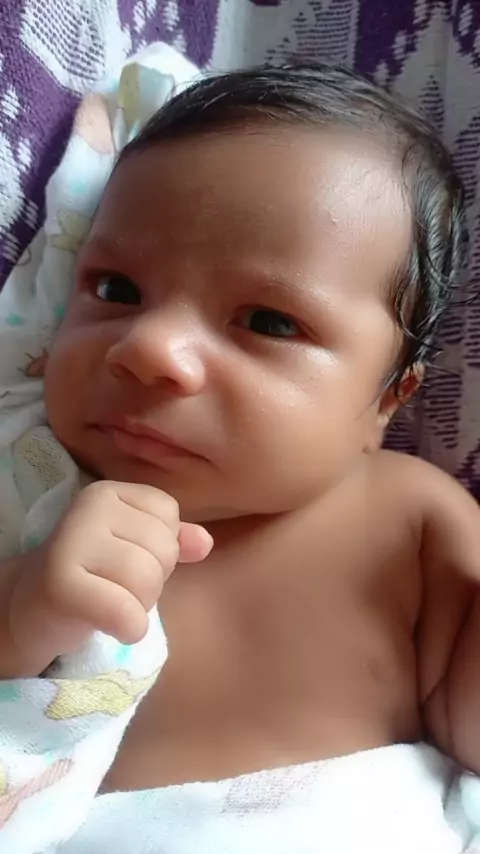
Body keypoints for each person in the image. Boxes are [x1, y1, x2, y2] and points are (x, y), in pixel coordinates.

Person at [0, 63, 479, 852]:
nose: (147, 347)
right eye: (116, 289)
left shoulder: (409, 512)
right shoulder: (34, 479)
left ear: (387, 399)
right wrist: (26, 610)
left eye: (267, 321)